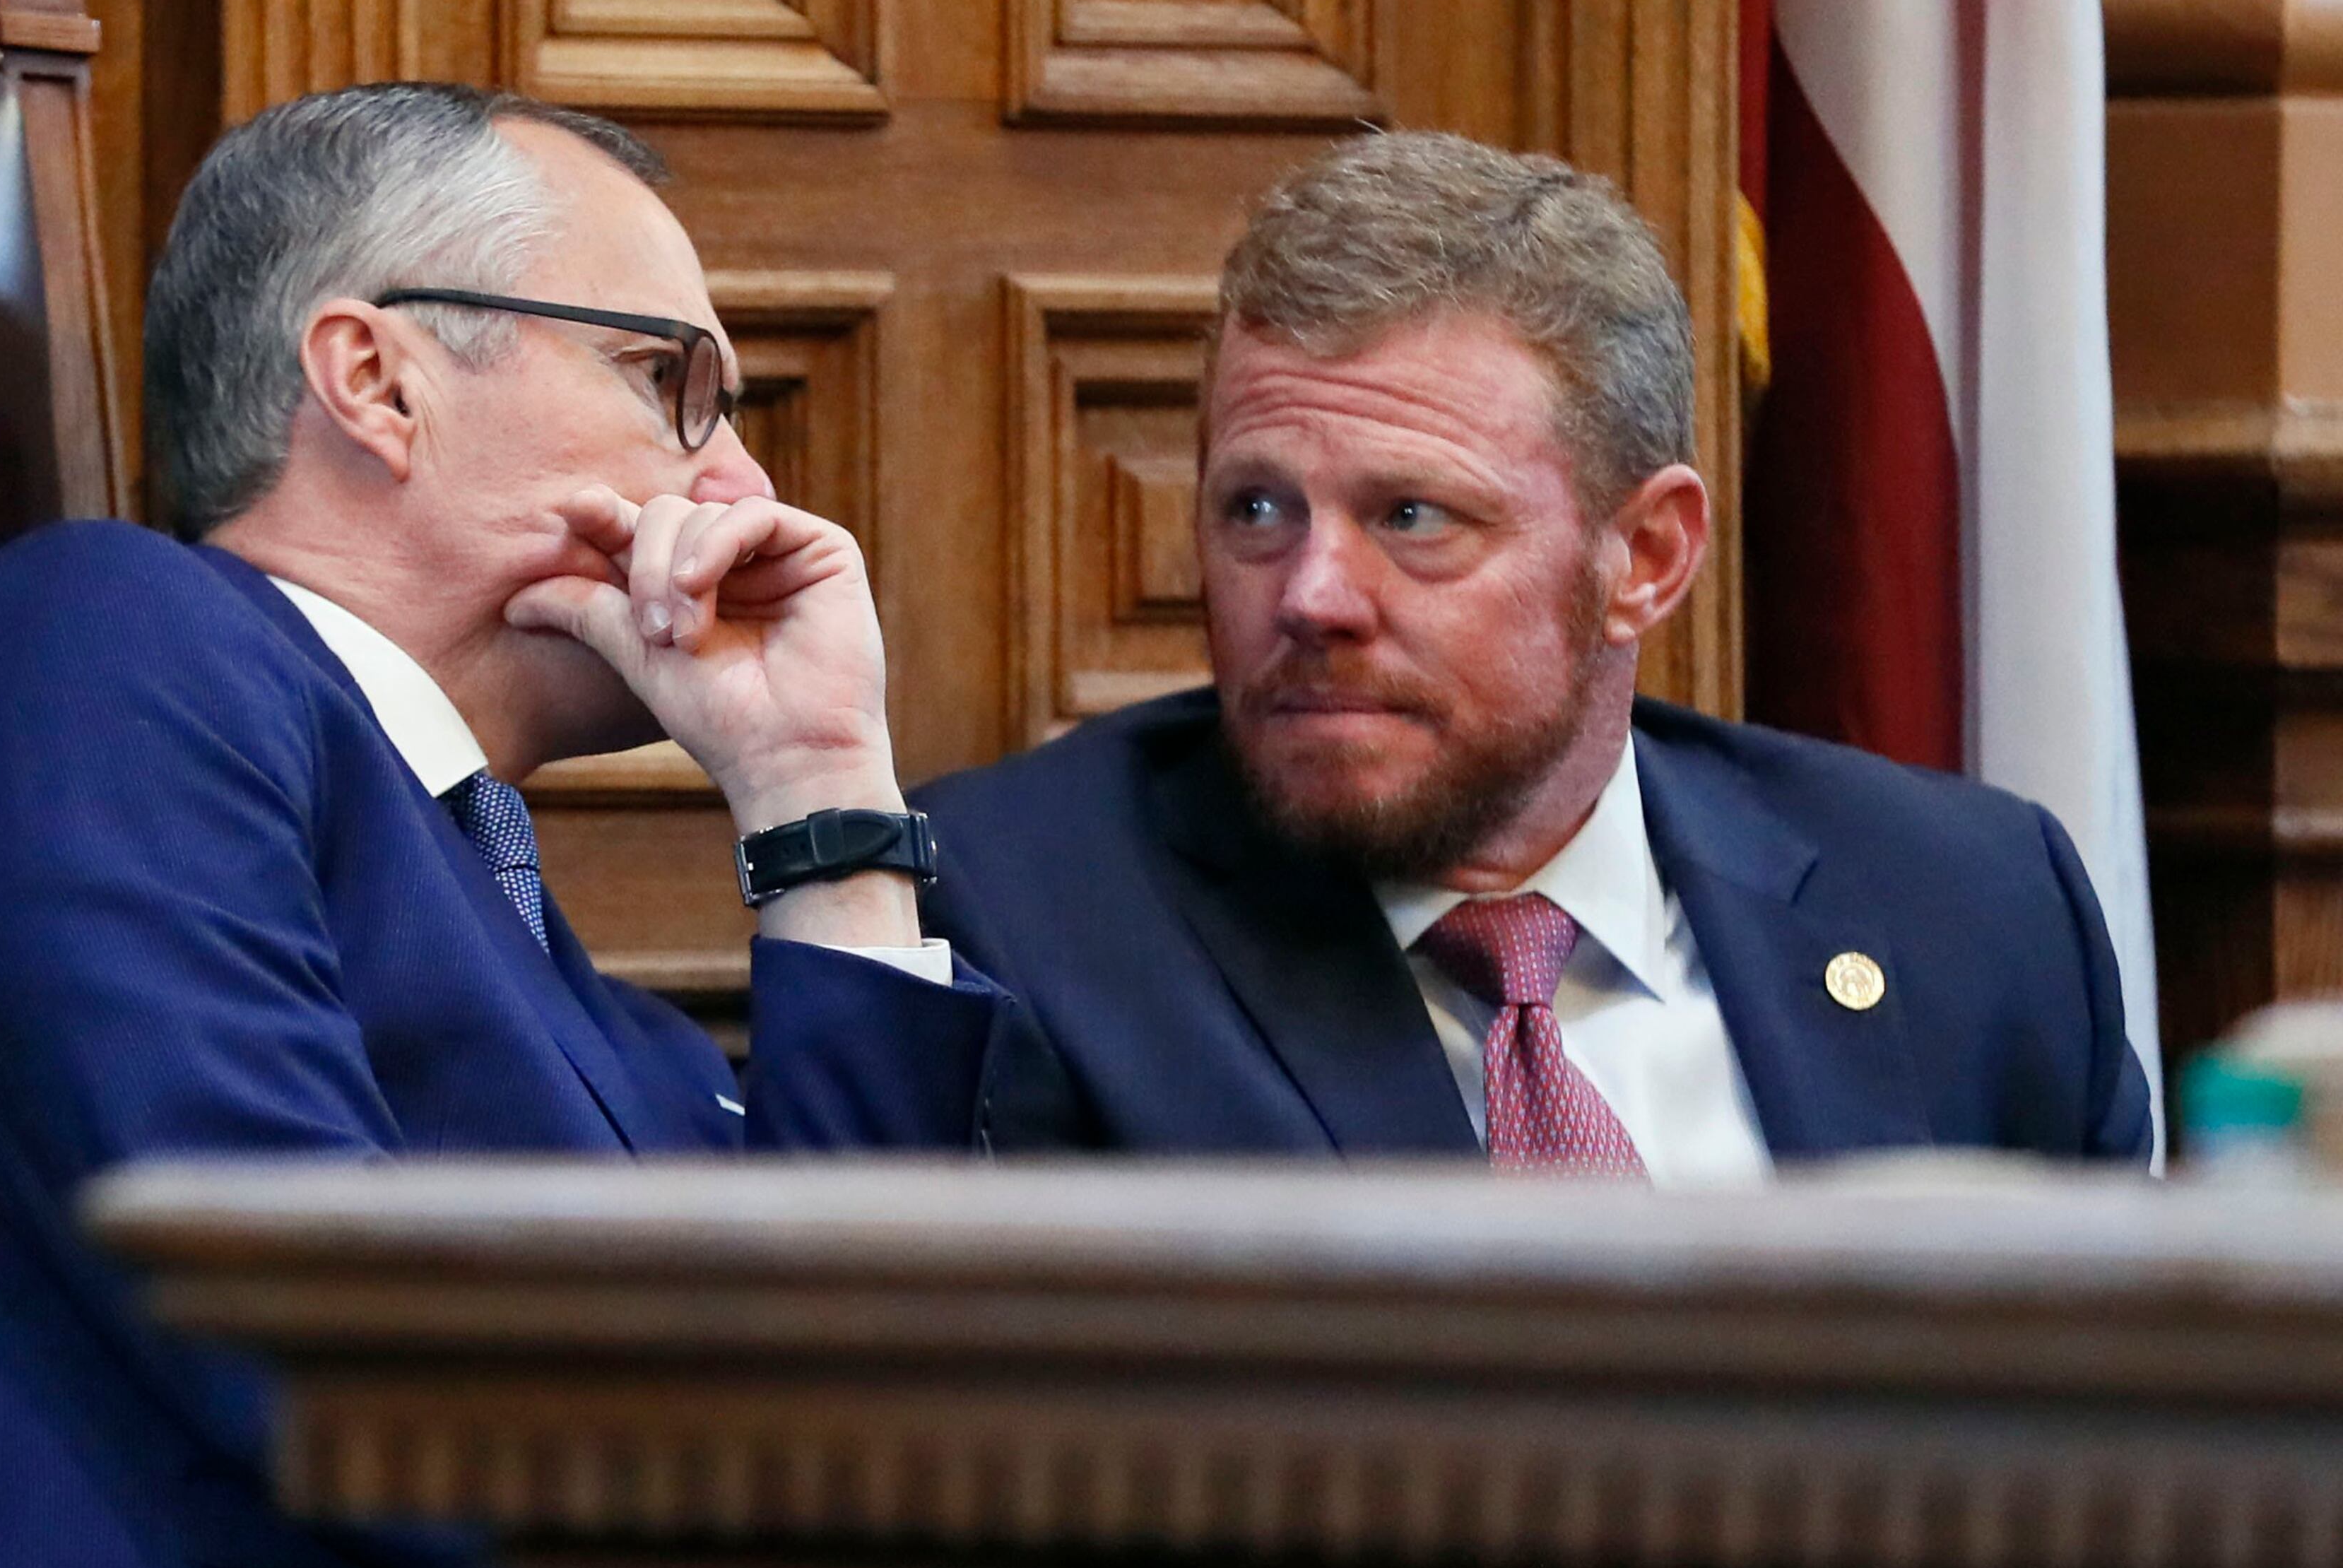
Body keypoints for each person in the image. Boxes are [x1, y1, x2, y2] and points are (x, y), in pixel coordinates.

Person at [0, 83, 1010, 1568]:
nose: (743, 488)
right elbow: (306, 1329)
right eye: (665, 380)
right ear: (375, 379)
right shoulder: (106, 640)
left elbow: (871, 1369)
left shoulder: (537, 942)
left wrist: (819, 790)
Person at [917, 131, 2154, 1176]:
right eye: (1256, 510)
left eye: (1413, 517)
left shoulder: (1973, 909)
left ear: (1648, 557)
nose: (1312, 595)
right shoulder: (1021, 916)